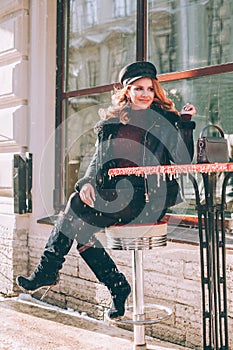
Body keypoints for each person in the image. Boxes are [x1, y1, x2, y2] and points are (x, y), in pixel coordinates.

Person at [16, 61, 196, 319]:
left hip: (147, 199)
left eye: (149, 88)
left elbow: (183, 161)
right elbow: (96, 160)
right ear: (127, 92)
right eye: (138, 88)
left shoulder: (166, 120)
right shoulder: (112, 123)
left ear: (156, 91)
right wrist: (87, 182)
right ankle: (117, 287)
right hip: (114, 194)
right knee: (81, 225)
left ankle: (53, 272)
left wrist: (186, 124)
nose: (145, 94)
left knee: (75, 209)